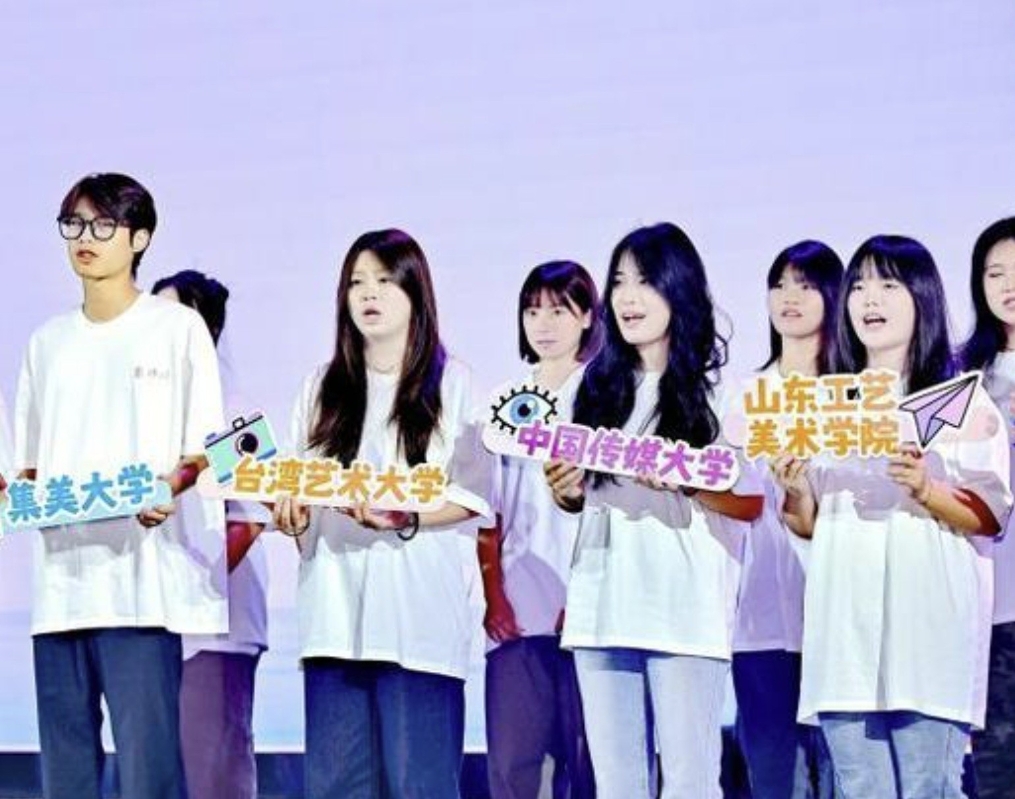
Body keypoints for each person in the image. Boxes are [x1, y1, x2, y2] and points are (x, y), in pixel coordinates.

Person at [773, 235, 1011, 798]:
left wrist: (926, 489)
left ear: (921, 298)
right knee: (859, 786)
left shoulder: (959, 400)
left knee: (930, 787)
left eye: (887, 285)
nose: (869, 299)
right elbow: (807, 523)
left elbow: (991, 512)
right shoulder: (825, 404)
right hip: (844, 636)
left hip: (928, 634)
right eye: (858, 287)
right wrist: (795, 490)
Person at [13, 173, 226, 798]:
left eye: (103, 224)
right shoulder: (47, 342)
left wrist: (170, 487)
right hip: (60, 588)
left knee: (148, 771)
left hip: (141, 588)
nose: (86, 237)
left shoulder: (175, 328)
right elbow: (27, 467)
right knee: (66, 773)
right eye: (74, 224)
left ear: (140, 238)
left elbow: (205, 448)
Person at [545, 222, 763, 798]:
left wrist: (686, 482)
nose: (628, 297)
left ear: (678, 288)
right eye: (619, 282)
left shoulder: (722, 392)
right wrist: (565, 488)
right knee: (618, 786)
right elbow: (575, 494)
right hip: (602, 605)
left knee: (689, 782)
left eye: (645, 281)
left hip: (684, 612)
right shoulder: (588, 387)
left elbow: (750, 502)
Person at [272, 228, 491, 799]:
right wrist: (293, 515)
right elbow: (296, 487)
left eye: (386, 281)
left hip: (417, 624)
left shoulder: (454, 383)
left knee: (421, 785)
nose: (369, 293)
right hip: (334, 621)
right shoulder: (321, 387)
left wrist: (404, 518)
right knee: (335, 786)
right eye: (357, 282)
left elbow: (473, 495)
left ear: (416, 293)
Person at [479, 261, 600, 799]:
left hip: (591, 612)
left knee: (591, 764)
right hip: (518, 610)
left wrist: (590, 598)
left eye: (558, 311)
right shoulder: (504, 401)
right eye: (532, 312)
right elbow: (487, 510)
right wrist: (493, 594)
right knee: (514, 764)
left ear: (587, 316)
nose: (543, 325)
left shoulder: (605, 394)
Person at [154, 269, 270, 799]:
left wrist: (193, 591)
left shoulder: (234, 414)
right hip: (165, 627)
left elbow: (249, 518)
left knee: (215, 771)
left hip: (218, 629)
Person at [732, 241, 842, 799]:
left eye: (805, 284)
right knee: (775, 776)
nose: (788, 297)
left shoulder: (858, 397)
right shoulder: (742, 396)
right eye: (779, 285)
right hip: (761, 619)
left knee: (848, 775)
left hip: (843, 614)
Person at [957, 216, 1015, 798]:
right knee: (997, 769)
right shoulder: (960, 378)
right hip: (994, 602)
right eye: (995, 273)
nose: (1009, 285)